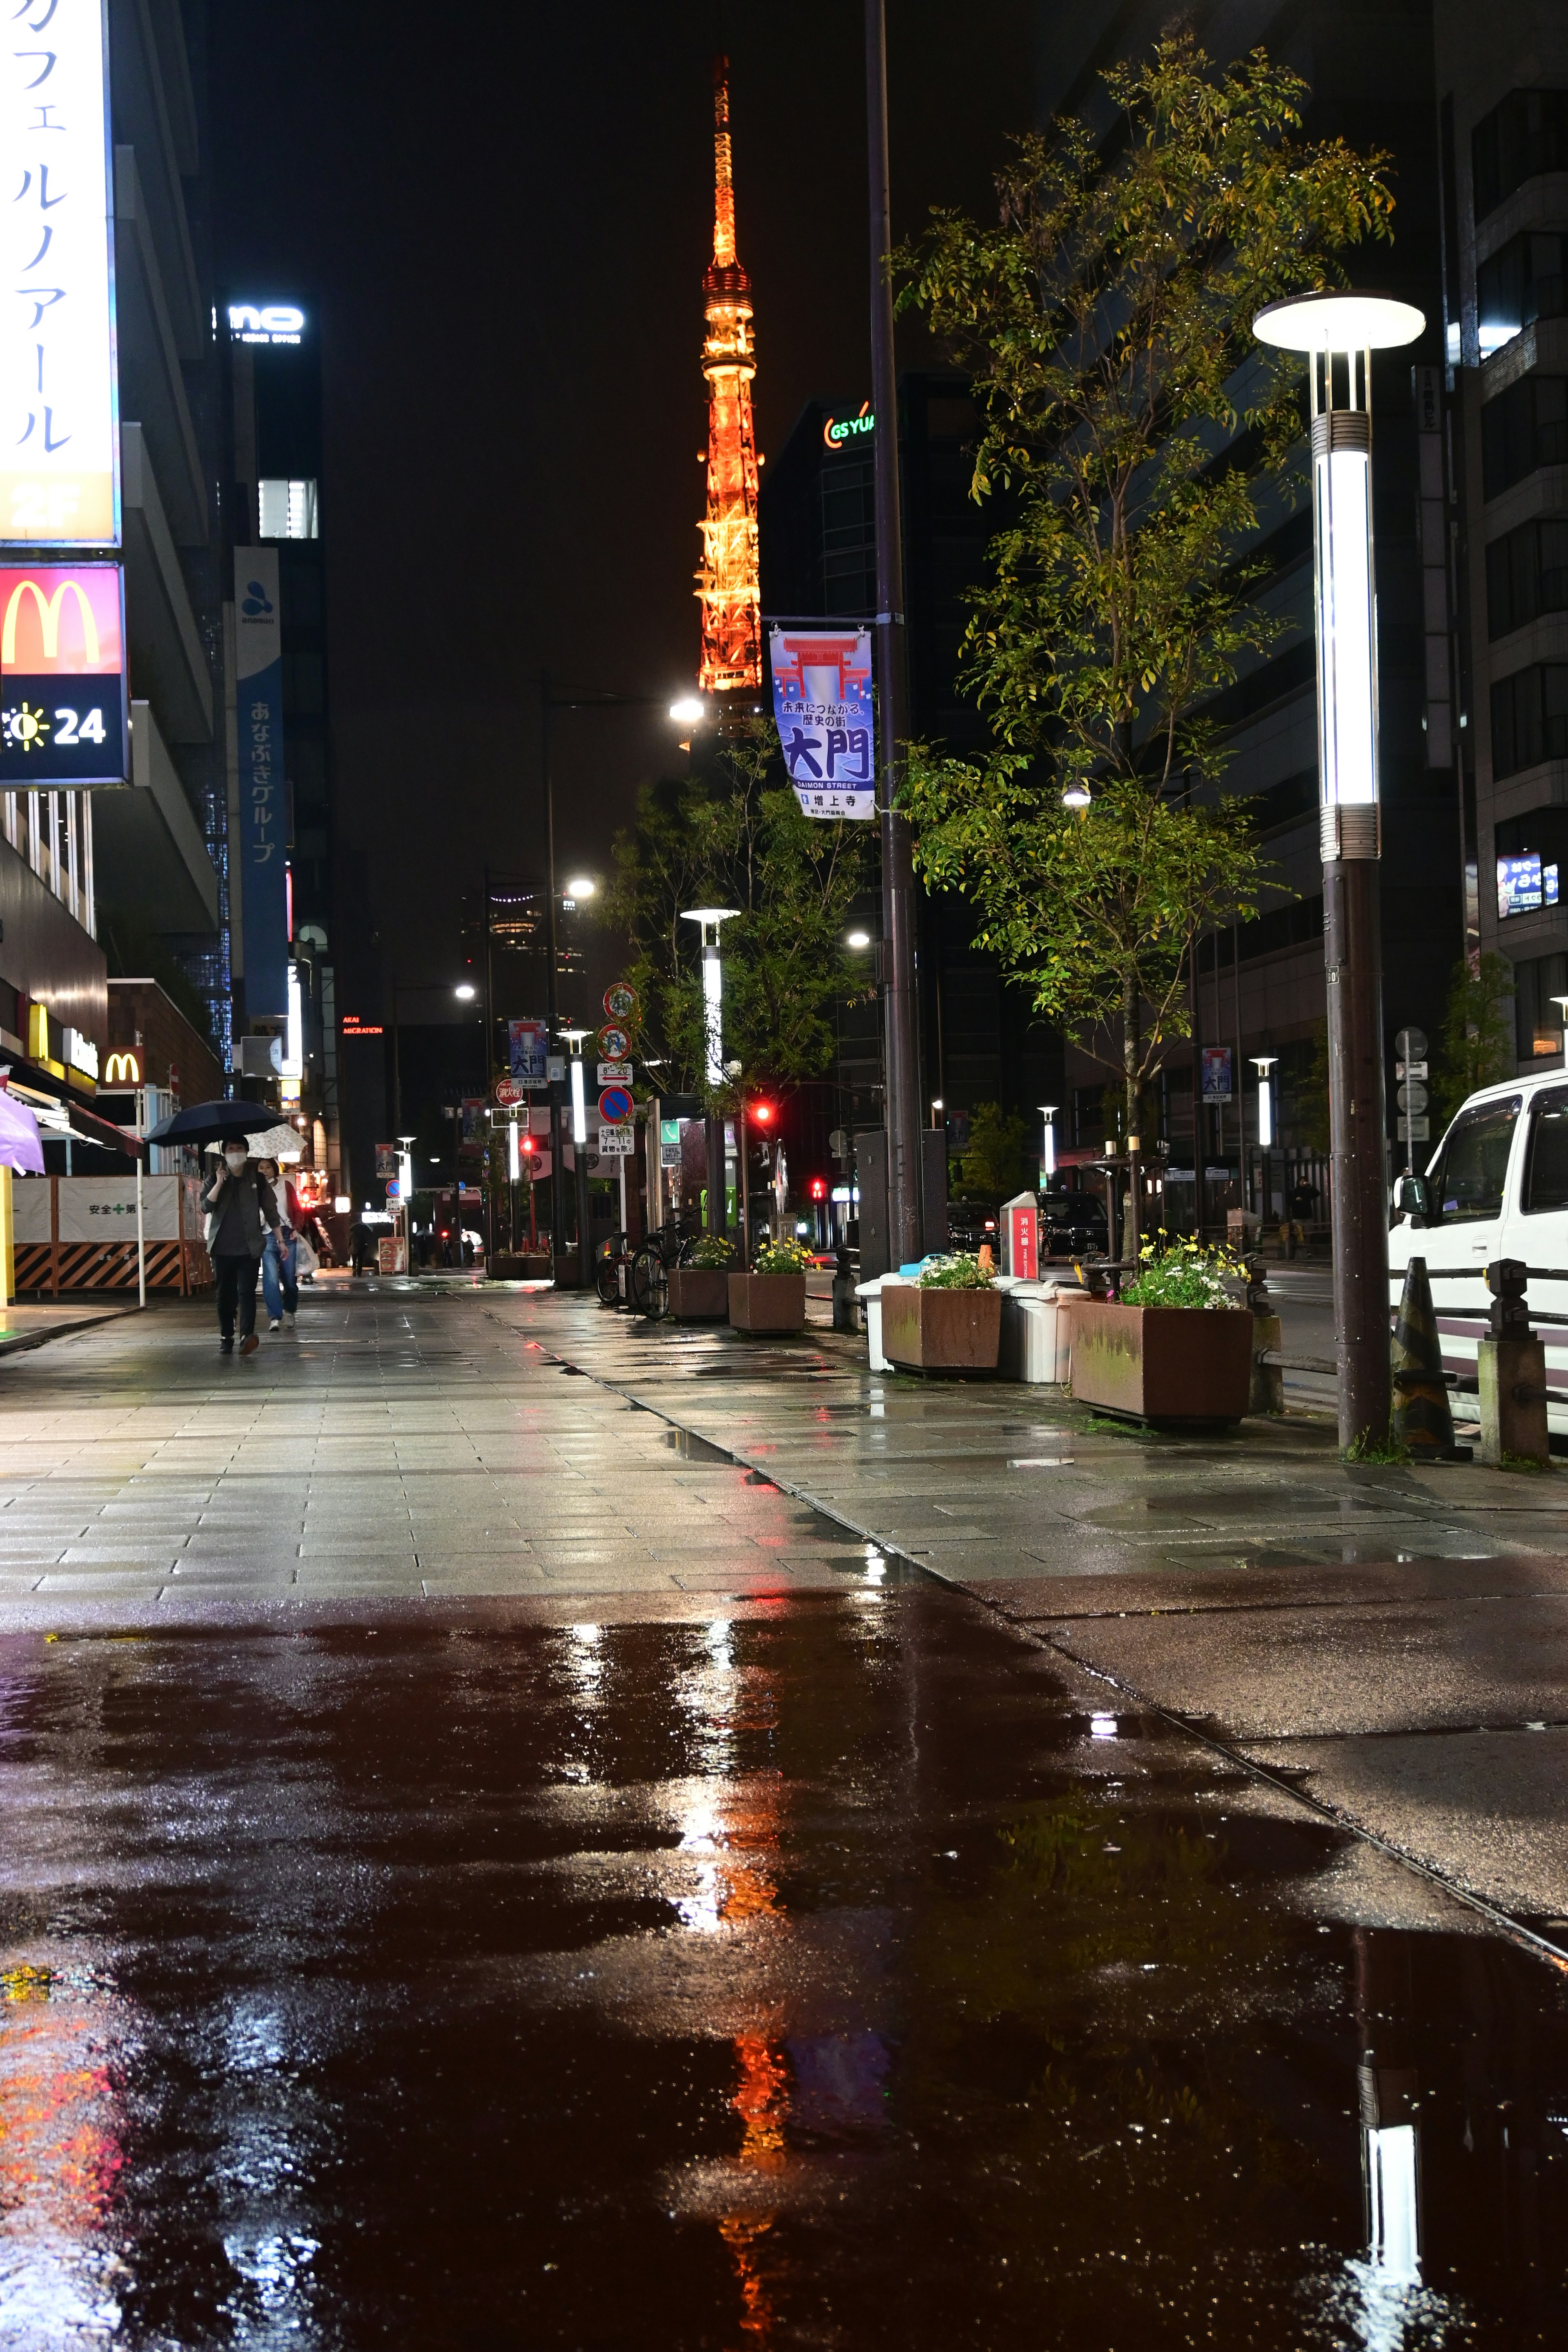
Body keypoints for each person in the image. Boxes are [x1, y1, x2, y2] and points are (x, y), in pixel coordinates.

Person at [202, 1143, 282, 1356]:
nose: (235, 1153)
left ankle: (247, 1336)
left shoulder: (257, 1179)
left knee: (246, 1292)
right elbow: (205, 1206)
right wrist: (219, 1183)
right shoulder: (214, 1178)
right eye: (230, 1150)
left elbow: (271, 1211)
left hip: (249, 1248)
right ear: (224, 1154)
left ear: (246, 1153)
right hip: (221, 1248)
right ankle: (227, 1335)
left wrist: (281, 1241)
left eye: (239, 1149)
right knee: (225, 1295)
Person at [255, 1158, 299, 1333]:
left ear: (275, 1169)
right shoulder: (255, 1189)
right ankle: (275, 1317)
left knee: (289, 1280)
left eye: (268, 1167)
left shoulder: (285, 1186)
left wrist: (296, 1228)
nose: (264, 1171)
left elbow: (296, 1209)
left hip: (288, 1234)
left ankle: (290, 1310)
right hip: (267, 1236)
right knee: (270, 1279)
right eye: (260, 1168)